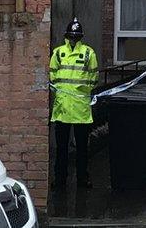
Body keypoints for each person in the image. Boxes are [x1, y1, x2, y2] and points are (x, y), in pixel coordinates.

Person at [49, 17, 98, 190]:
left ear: (80, 37)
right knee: (61, 149)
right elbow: (52, 76)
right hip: (62, 109)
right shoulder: (58, 52)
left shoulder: (88, 53)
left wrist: (79, 93)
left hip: (80, 110)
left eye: (76, 36)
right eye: (71, 36)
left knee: (82, 149)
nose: (73, 39)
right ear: (67, 36)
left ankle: (82, 179)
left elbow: (93, 78)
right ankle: (60, 179)